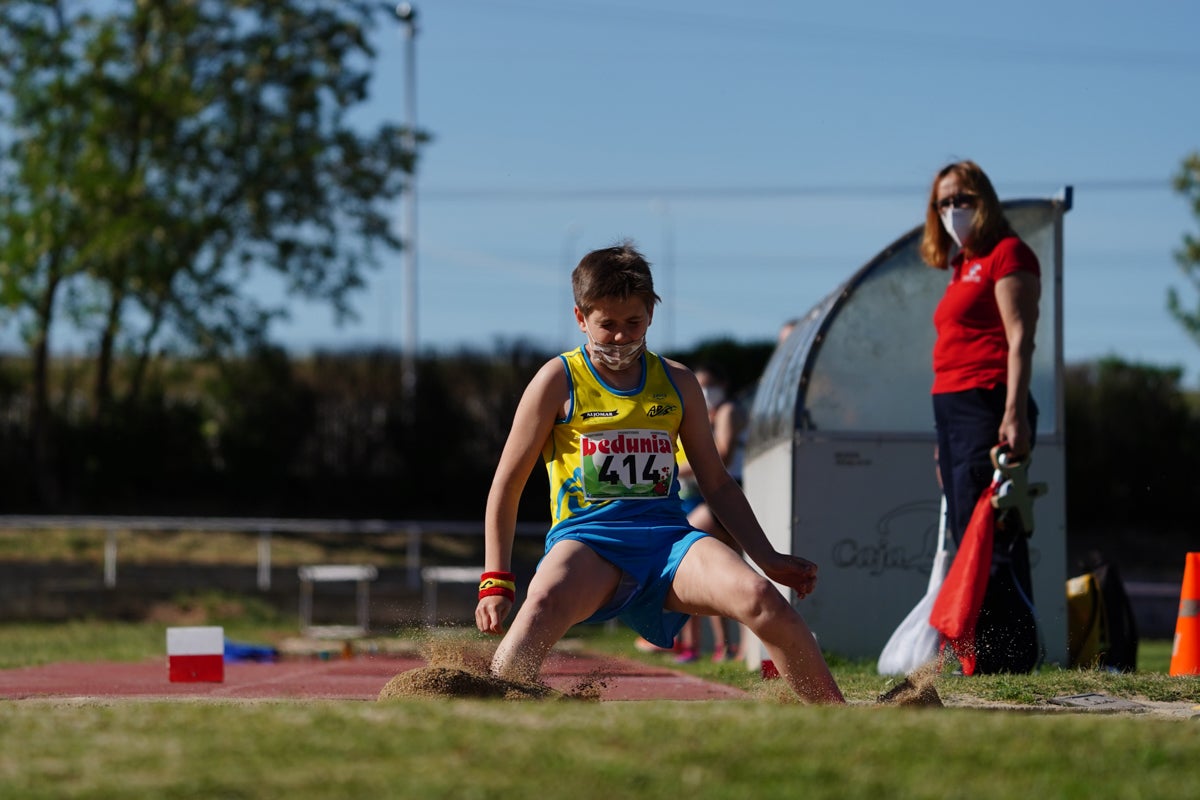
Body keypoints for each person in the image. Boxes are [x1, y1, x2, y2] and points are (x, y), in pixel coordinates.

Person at [475, 240, 845, 704]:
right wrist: (496, 577)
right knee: (542, 606)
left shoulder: (679, 382)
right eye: (606, 325)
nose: (620, 337)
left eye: (633, 323)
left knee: (759, 597)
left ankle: (839, 719)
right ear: (580, 318)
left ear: (651, 313)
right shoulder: (557, 379)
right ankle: (492, 711)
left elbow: (717, 482)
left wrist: (766, 557)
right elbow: (507, 485)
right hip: (588, 542)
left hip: (669, 543)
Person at [920, 160, 1041, 674]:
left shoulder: (1009, 254)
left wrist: (1013, 414)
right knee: (967, 533)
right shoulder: (959, 265)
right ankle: (980, 652)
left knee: (993, 534)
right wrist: (941, 440)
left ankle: (1007, 657)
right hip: (952, 409)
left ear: (983, 199)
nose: (952, 211)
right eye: (943, 203)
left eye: (961, 199)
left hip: (989, 402)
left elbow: (1020, 339)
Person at [672, 363, 747, 663]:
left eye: (708, 386)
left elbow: (722, 456)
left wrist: (670, 470)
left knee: (683, 550)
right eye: (698, 386)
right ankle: (722, 646)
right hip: (715, 498)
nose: (704, 393)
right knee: (712, 570)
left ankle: (704, 642)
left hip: (729, 495)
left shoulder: (728, 411)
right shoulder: (712, 413)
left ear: (723, 385)